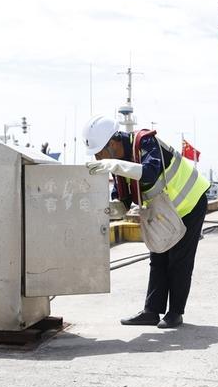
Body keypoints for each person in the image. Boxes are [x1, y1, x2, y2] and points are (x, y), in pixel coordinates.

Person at [83, 115, 210, 328]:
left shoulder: (145, 142)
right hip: (166, 212)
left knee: (179, 261)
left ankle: (175, 313)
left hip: (191, 204)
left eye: (100, 153)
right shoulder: (121, 165)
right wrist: (102, 211)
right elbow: (123, 202)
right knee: (158, 257)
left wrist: (115, 164)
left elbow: (150, 173)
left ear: (113, 144)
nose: (98, 159)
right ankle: (152, 311)